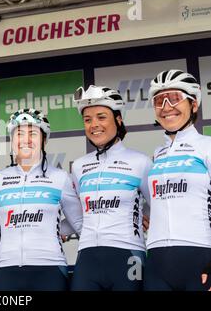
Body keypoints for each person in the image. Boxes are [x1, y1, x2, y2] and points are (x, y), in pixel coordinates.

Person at [0, 108, 83, 291]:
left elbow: (80, 224)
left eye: (33, 134)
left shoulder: (60, 178)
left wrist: (53, 228)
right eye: (19, 134)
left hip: (50, 268)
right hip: (7, 269)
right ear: (12, 141)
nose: (25, 140)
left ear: (44, 140)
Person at [70, 85, 152, 291]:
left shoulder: (140, 162)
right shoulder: (78, 166)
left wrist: (141, 214)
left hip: (129, 254)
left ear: (118, 120)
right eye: (87, 120)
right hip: (87, 255)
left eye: (101, 117)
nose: (94, 125)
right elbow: (78, 213)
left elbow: (158, 206)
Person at [144, 69, 211, 291]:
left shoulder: (207, 146)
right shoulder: (158, 154)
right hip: (157, 260)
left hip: (199, 255)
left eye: (174, 98)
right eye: (159, 100)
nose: (166, 107)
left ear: (193, 105)